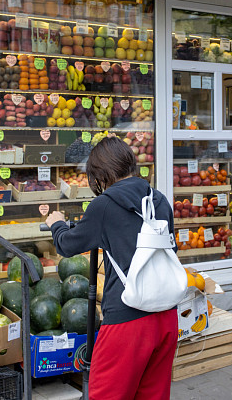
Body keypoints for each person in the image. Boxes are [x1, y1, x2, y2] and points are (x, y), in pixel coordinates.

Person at [45, 137, 177, 400]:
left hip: (128, 322)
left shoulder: (104, 205)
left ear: (100, 175)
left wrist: (56, 223)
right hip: (166, 317)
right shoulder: (158, 199)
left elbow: (67, 245)